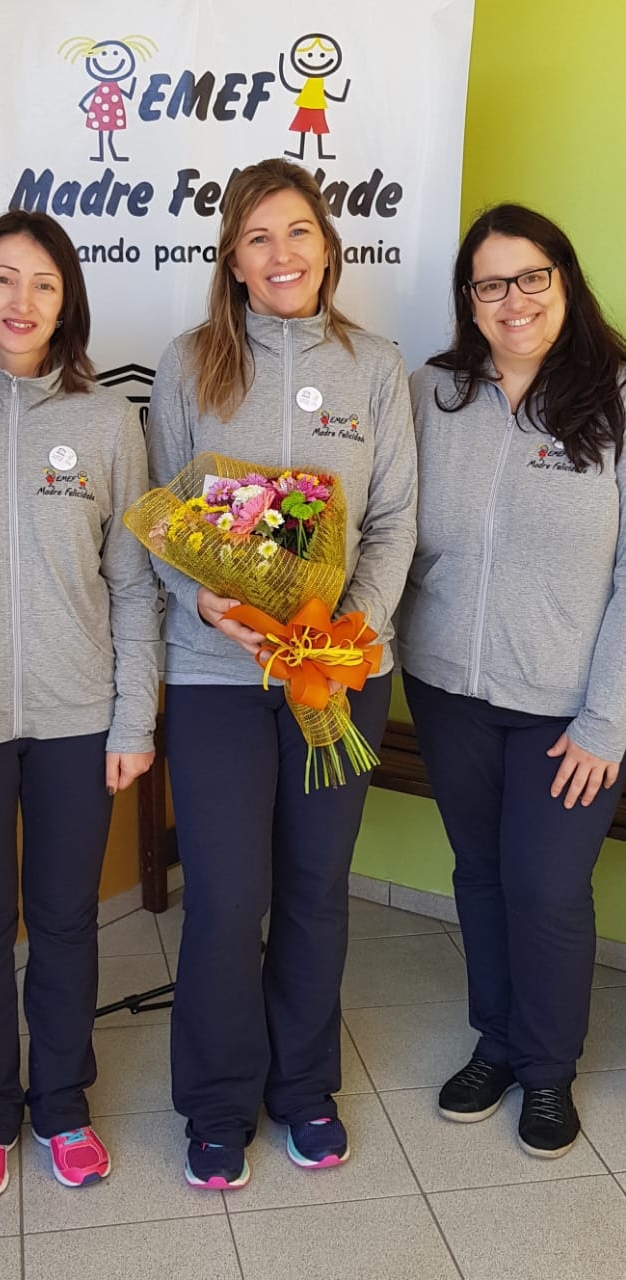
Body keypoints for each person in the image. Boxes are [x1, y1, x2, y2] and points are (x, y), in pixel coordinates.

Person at [146, 157, 416, 1188]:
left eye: (296, 230)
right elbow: (170, 522)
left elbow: (393, 516)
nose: (281, 253)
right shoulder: (188, 362)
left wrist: (349, 629)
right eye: (257, 236)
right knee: (224, 893)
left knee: (313, 888)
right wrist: (199, 598)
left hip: (337, 678)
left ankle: (303, 1086)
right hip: (219, 681)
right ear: (232, 258)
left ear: (326, 244)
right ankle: (217, 1102)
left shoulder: (374, 364)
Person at [0, 209, 159, 1199]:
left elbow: (135, 580)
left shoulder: (106, 422)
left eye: (44, 284)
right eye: (4, 279)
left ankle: (60, 1103)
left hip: (75, 718)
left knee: (63, 919)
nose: (22, 302)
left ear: (69, 304)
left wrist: (132, 716)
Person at [398, 204, 626, 1159]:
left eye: (530, 276)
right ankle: (494, 1040)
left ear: (563, 280)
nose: (512, 300)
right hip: (447, 689)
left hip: (566, 709)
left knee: (545, 889)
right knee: (481, 876)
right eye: (490, 284)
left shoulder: (614, 397)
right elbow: (387, 531)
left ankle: (545, 1068)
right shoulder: (430, 394)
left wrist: (610, 717)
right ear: (469, 300)